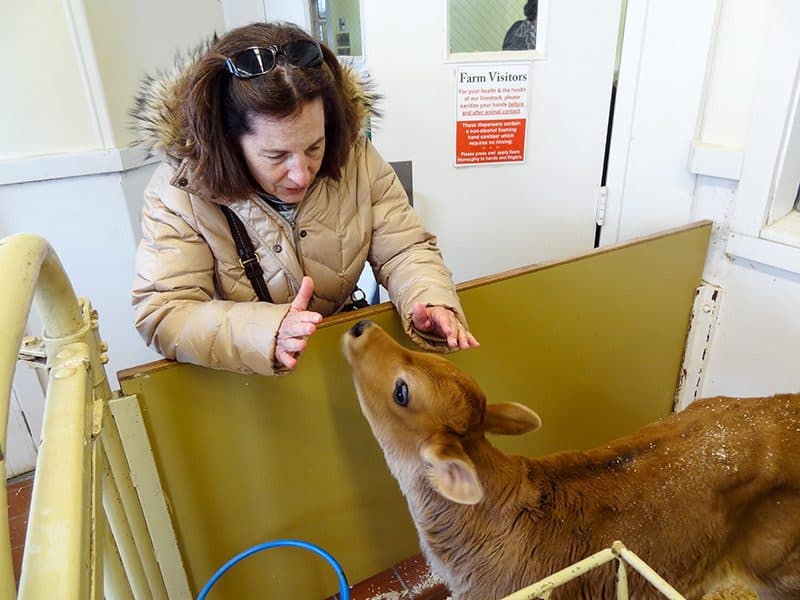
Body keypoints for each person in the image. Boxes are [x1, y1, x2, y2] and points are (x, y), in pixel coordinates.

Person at [129, 21, 479, 376]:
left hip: (340, 356)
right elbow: (166, 311)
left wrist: (430, 300)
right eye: (276, 156)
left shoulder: (355, 155)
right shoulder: (180, 189)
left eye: (315, 146)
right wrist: (266, 332)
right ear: (228, 141)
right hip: (243, 380)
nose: (301, 174)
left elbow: (405, 250)